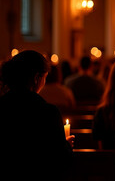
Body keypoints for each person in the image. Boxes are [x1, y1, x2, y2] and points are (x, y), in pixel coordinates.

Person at [0, 50, 74, 180]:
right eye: (44, 78)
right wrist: (66, 145)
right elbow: (60, 161)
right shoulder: (48, 112)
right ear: (36, 78)